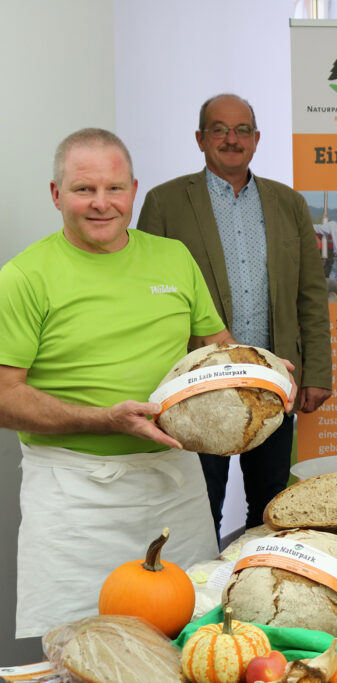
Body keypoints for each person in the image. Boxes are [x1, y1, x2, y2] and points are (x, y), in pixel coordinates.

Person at [0, 128, 241, 637]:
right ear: (55, 194)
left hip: (174, 484)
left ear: (134, 189)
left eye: (114, 189)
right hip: (75, 497)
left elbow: (218, 350)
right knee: (77, 647)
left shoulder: (173, 258)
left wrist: (257, 371)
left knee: (190, 637)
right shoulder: (25, 277)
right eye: (84, 189)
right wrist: (104, 419)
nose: (101, 204)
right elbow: (4, 397)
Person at [137, 93, 331, 538]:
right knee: (201, 507)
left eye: (242, 129)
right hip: (198, 392)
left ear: (257, 139)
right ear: (201, 139)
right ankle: (203, 593)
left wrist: (316, 371)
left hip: (273, 382)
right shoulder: (165, 203)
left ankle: (258, 582)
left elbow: (311, 295)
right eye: (219, 129)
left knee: (271, 506)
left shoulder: (288, 204)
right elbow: (145, 296)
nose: (231, 139)